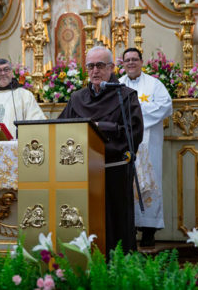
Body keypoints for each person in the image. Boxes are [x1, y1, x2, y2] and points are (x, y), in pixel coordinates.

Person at [59, 46, 144, 253]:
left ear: (112, 68)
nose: (95, 71)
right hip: (82, 173)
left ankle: (118, 268)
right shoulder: (77, 98)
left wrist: (101, 130)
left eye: (100, 65)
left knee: (115, 224)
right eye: (90, 66)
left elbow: (134, 133)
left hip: (113, 170)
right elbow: (62, 128)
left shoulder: (126, 96)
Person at [119, 47, 172, 248]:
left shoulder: (154, 84)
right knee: (126, 185)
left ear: (142, 62)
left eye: (134, 59)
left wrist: (134, 115)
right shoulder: (118, 85)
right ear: (122, 64)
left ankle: (149, 232)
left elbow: (165, 106)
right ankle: (128, 230)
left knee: (150, 185)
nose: (131, 63)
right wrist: (133, 116)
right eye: (127, 60)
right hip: (125, 144)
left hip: (149, 147)